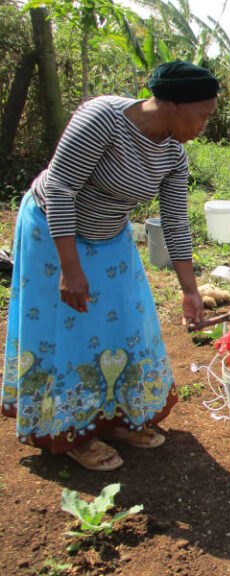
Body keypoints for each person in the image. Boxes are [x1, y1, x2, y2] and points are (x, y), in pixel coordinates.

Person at [1, 60, 217, 471]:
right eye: (203, 115)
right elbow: (62, 188)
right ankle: (72, 432)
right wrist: (70, 268)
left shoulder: (173, 152)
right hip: (53, 232)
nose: (205, 125)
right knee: (68, 329)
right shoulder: (102, 119)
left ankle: (114, 419)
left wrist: (190, 290)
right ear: (172, 103)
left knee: (125, 324)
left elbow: (174, 221)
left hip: (109, 235)